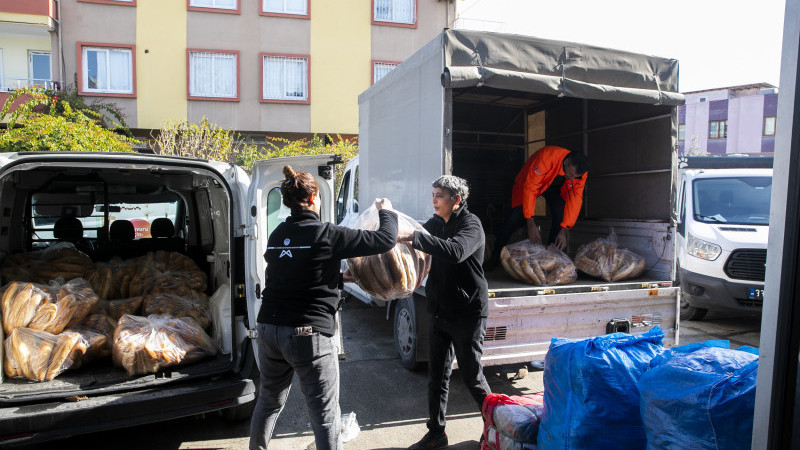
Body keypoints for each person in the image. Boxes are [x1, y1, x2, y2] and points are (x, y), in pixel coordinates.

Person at [249, 165, 399, 450]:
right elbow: (385, 240)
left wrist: (336, 277)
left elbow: (292, 273)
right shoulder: (327, 234)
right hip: (308, 335)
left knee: (268, 402)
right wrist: (386, 210)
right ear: (314, 197)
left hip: (268, 329)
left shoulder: (278, 235)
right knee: (325, 415)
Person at [403, 175, 492, 450]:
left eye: (439, 195)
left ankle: (496, 427)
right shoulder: (435, 224)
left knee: (472, 375)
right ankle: (436, 433)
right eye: (433, 195)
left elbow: (455, 252)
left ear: (456, 200)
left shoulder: (471, 224)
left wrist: (416, 237)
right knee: (437, 377)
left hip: (468, 312)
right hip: (440, 311)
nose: (434, 200)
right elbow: (414, 232)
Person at [485, 146, 589, 270]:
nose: (572, 179)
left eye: (575, 177)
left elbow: (575, 200)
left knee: (560, 214)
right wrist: (530, 222)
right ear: (566, 162)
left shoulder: (580, 173)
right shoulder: (546, 158)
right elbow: (530, 188)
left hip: (556, 188)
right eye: (570, 174)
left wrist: (564, 230)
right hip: (532, 183)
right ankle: (495, 256)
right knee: (514, 218)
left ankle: (550, 259)